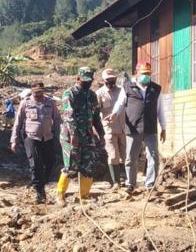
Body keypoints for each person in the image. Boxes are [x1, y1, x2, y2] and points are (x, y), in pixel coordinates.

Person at [105, 62, 166, 194]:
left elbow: (160, 109)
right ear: (137, 73)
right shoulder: (127, 87)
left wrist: (164, 127)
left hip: (150, 129)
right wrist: (114, 113)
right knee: (130, 159)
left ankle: (150, 185)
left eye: (148, 74)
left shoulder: (156, 89)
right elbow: (120, 103)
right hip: (133, 128)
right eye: (144, 73)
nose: (146, 76)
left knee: (153, 157)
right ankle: (130, 184)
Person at [56, 67, 104, 206]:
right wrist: (74, 136)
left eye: (89, 81)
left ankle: (84, 195)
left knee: (88, 166)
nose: (87, 83)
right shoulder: (69, 94)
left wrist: (100, 133)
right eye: (84, 81)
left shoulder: (92, 95)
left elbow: (96, 116)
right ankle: (60, 195)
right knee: (71, 166)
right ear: (78, 79)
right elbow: (69, 116)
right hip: (70, 136)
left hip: (87, 135)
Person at [10, 81, 61, 203]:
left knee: (50, 162)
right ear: (32, 92)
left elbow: (57, 120)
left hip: (48, 138)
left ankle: (42, 183)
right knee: (35, 165)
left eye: (40, 92)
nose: (38, 95)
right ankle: (39, 192)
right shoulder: (26, 103)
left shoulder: (50, 103)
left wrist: (59, 137)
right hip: (31, 138)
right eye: (36, 93)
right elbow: (18, 122)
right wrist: (14, 140)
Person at [95, 68, 126, 190]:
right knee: (113, 156)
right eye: (108, 80)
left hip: (123, 128)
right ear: (104, 80)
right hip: (109, 129)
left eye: (113, 79)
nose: (111, 81)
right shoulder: (100, 94)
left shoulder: (122, 91)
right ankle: (115, 182)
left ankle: (127, 180)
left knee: (125, 156)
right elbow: (96, 113)